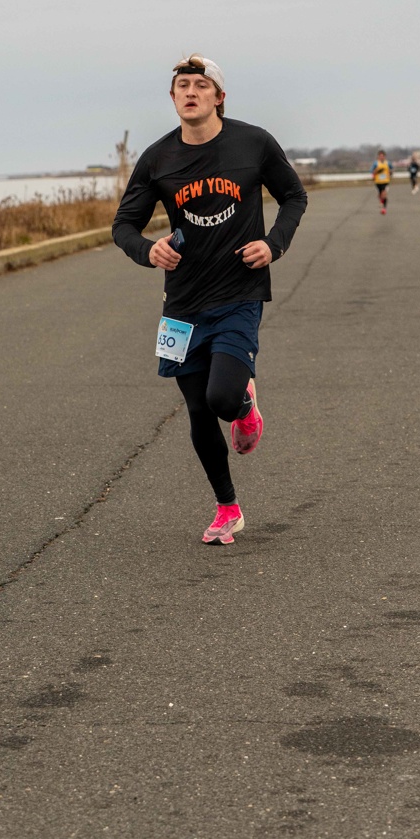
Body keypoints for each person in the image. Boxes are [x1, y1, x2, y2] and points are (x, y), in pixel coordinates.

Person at [112, 54, 307, 545]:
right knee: (198, 410)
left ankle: (244, 404)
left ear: (219, 97)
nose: (191, 92)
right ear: (172, 97)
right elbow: (124, 226)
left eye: (201, 85)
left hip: (239, 291)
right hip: (182, 303)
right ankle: (227, 509)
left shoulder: (253, 143)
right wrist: (148, 250)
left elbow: (294, 197)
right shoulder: (158, 158)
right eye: (182, 85)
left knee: (221, 399)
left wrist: (274, 244)